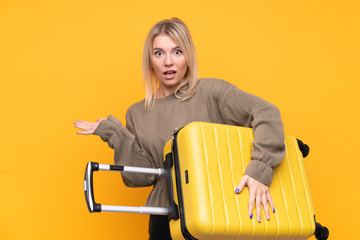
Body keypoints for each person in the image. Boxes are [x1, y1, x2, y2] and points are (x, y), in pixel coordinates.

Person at [74, 18, 285, 240]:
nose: (168, 62)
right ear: (150, 60)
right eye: (159, 53)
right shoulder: (136, 112)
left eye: (177, 52)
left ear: (188, 57)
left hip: (216, 212)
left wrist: (259, 171)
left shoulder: (211, 91)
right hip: (164, 219)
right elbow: (138, 177)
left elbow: (267, 113)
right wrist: (115, 133)